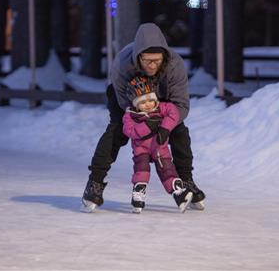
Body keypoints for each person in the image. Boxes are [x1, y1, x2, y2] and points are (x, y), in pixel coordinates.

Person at [81, 23, 206, 212]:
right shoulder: (123, 64)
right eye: (147, 60)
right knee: (116, 132)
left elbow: (181, 105)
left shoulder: (175, 65)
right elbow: (123, 103)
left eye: (157, 60)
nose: (153, 65)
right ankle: (94, 183)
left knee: (179, 131)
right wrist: (145, 122)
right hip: (128, 99)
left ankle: (186, 181)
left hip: (163, 100)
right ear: (138, 57)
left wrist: (163, 125)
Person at [122, 76, 193, 213]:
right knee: (141, 171)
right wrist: (147, 126)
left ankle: (178, 193)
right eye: (142, 102)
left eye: (150, 100)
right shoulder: (130, 115)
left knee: (167, 169)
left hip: (160, 147)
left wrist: (165, 129)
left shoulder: (162, 108)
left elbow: (174, 112)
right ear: (135, 104)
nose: (148, 104)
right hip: (141, 149)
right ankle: (138, 193)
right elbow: (129, 131)